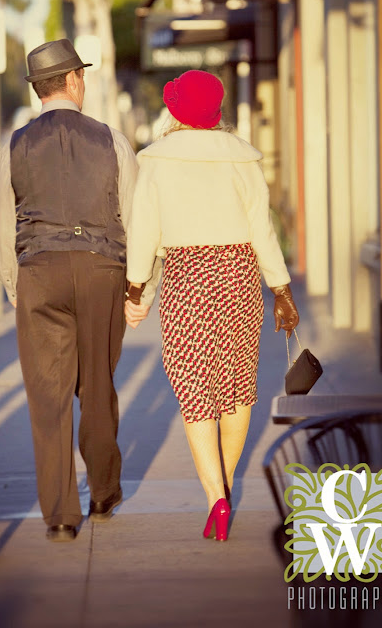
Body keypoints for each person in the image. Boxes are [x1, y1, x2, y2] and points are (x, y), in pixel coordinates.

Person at [0, 38, 155, 542]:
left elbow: (0, 223)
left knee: (48, 396)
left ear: (39, 89)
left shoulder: (14, 145)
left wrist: (16, 284)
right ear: (75, 81)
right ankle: (103, 492)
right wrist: (139, 291)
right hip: (102, 269)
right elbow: (138, 218)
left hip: (40, 269)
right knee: (97, 387)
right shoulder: (112, 140)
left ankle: (61, 516)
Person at [124, 69, 299, 542]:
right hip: (239, 275)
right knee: (238, 389)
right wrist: (280, 290)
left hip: (187, 279)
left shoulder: (157, 161)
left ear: (176, 110)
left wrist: (136, 288)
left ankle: (217, 498)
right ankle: (224, 480)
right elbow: (263, 230)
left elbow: (145, 231)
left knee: (195, 393)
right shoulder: (241, 159)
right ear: (217, 111)